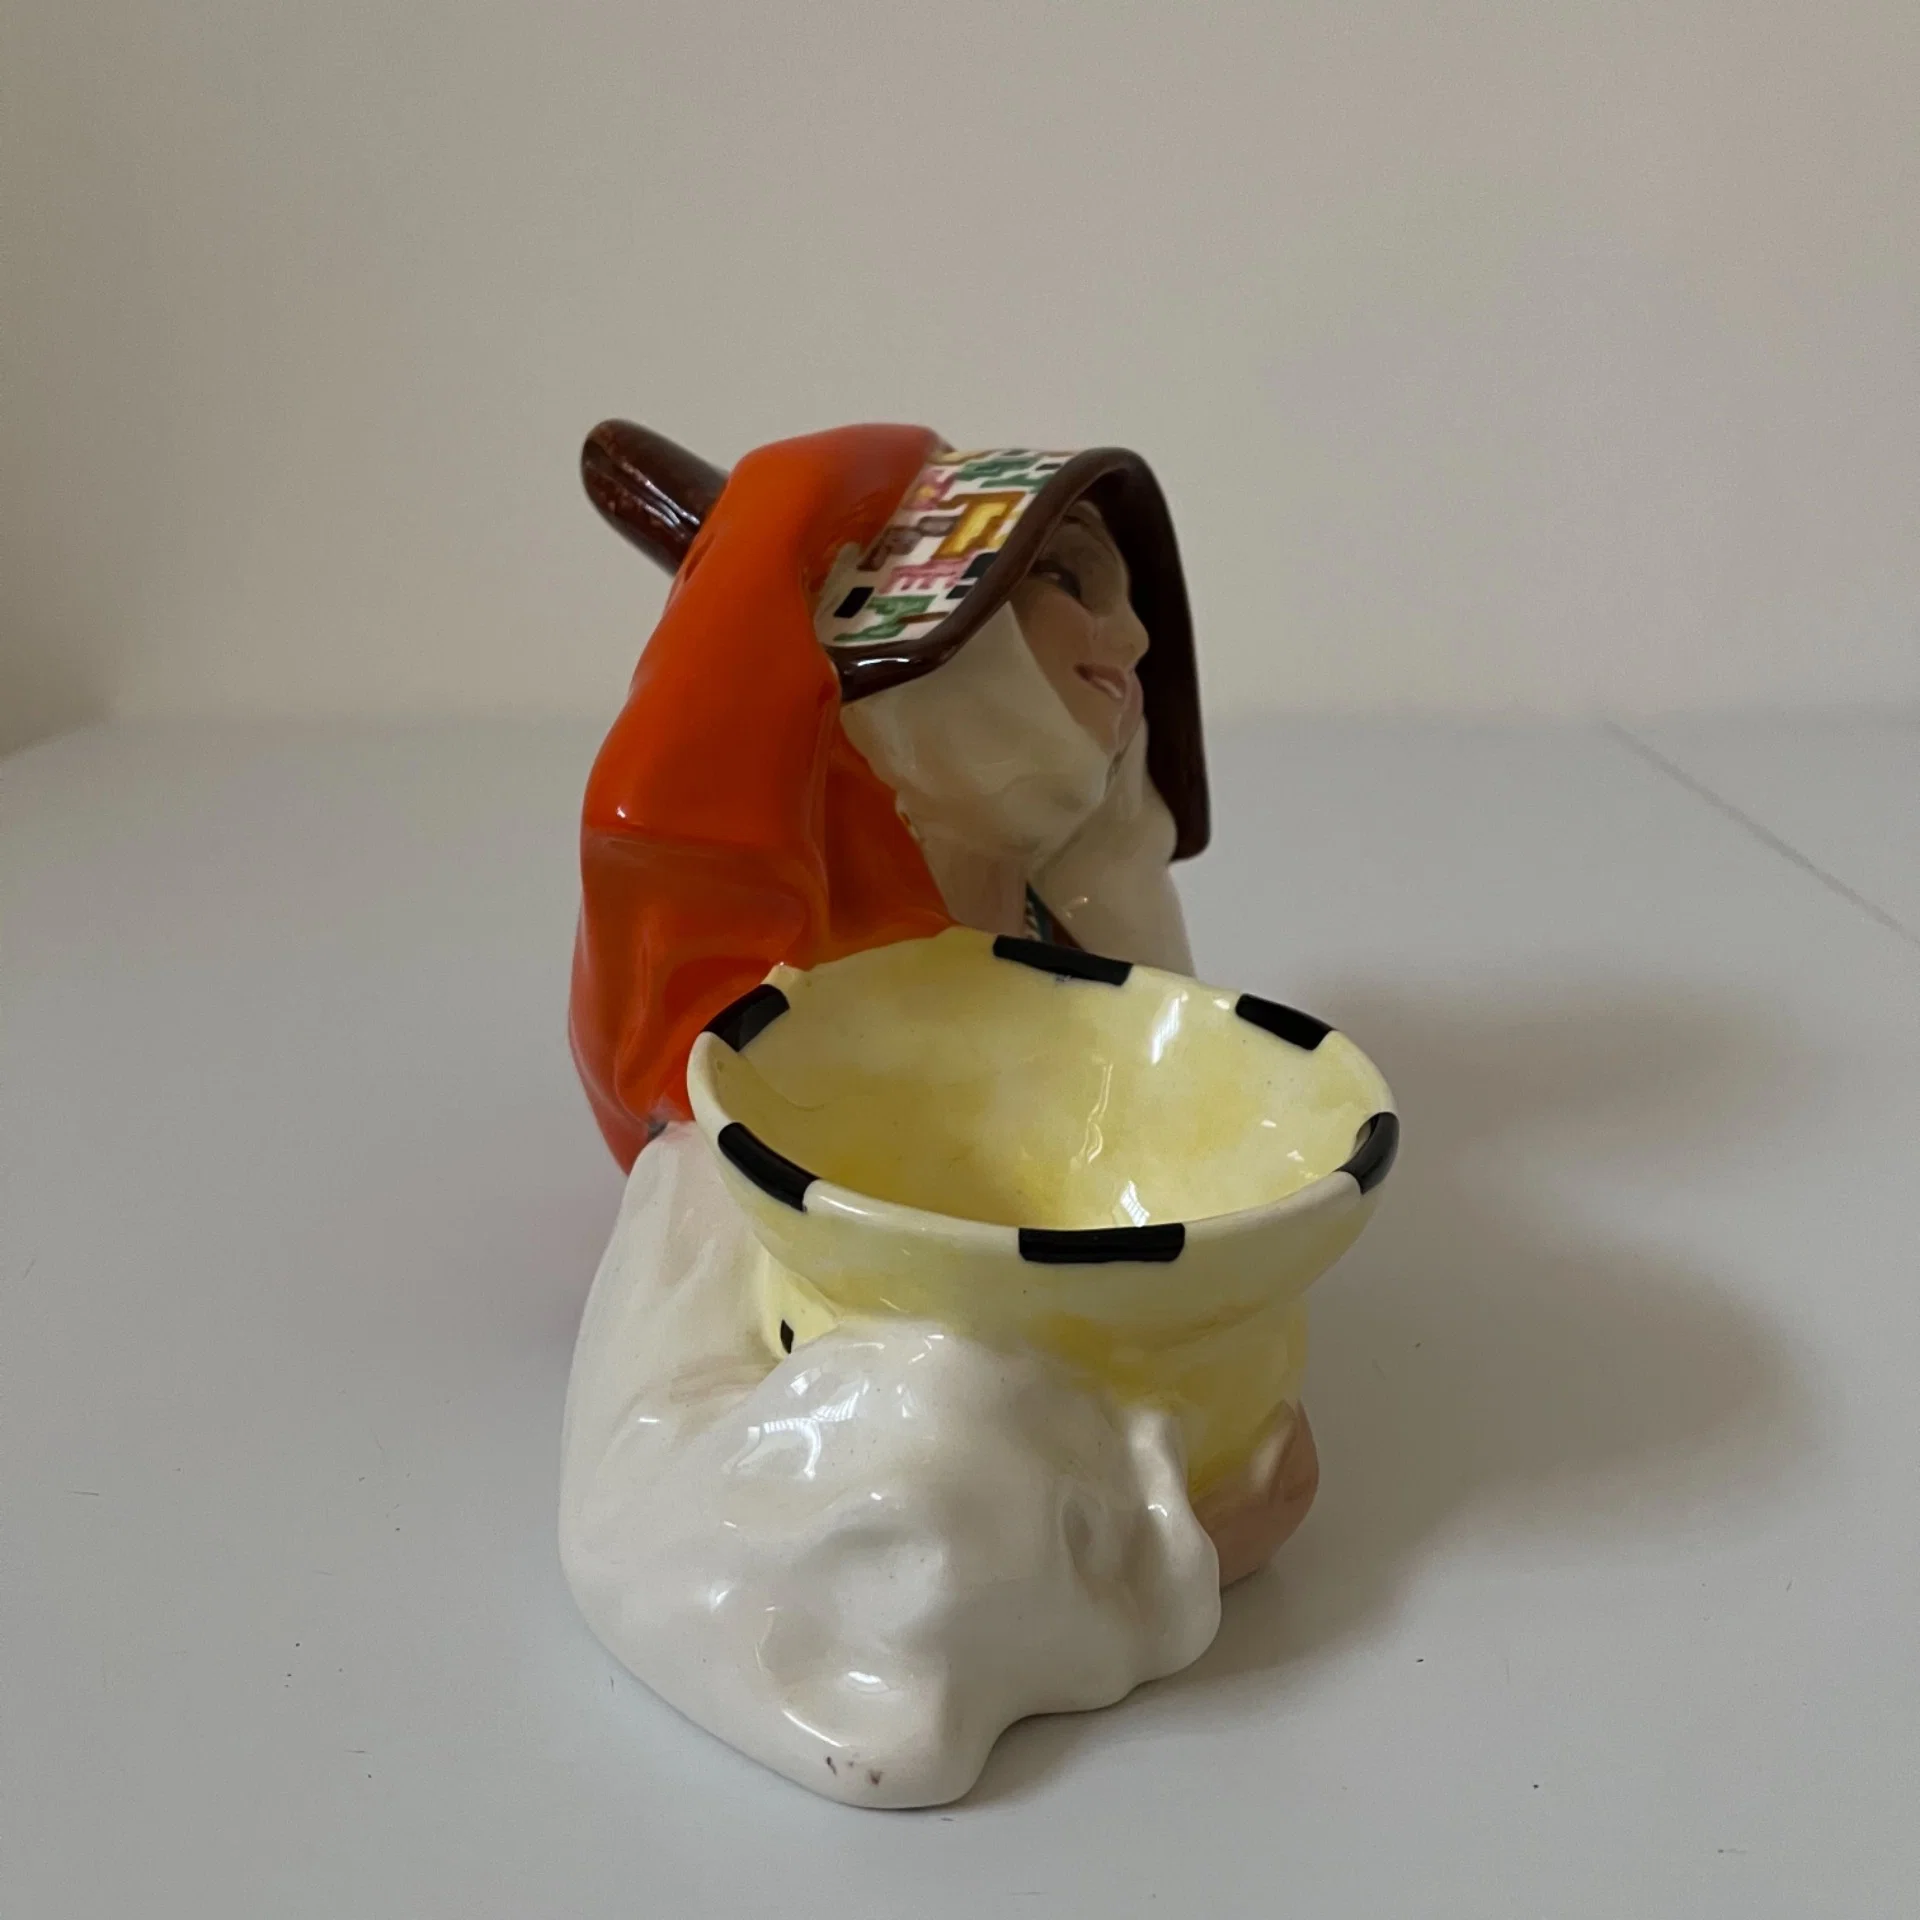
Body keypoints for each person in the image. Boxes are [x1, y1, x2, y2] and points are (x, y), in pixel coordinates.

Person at [558, 421, 1317, 1806]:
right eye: (1068, 579)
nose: (1135, 638)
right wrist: (1172, 1543)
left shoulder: (1082, 1003)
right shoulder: (753, 1114)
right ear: (915, 626)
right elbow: (656, 1528)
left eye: (1129, 597)